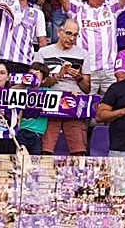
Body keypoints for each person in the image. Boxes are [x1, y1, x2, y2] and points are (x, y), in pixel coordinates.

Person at [33, 19, 92, 156]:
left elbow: (87, 88)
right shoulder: (43, 52)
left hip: (73, 104)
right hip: (50, 104)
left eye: (75, 35)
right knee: (45, 149)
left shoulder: (83, 54)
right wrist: (58, 75)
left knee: (79, 150)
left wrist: (78, 77)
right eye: (68, 33)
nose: (71, 38)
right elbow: (36, 83)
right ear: (59, 32)